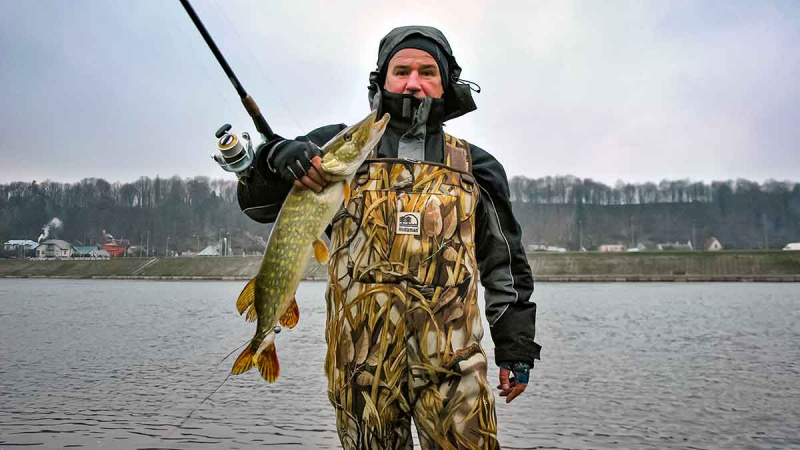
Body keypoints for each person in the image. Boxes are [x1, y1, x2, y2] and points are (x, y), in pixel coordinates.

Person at [237, 25, 541, 449]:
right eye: (401, 70)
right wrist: (275, 157)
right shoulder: (334, 149)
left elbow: (504, 265)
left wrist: (516, 348)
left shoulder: (477, 167)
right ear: (381, 80)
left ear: (445, 83)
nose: (413, 82)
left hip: (454, 374)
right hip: (361, 372)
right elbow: (255, 205)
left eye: (427, 71)